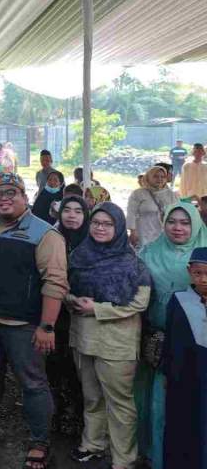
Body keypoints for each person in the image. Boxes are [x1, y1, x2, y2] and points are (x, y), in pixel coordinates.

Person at [0, 173, 68, 469]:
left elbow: (55, 283)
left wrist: (47, 326)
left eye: (11, 193)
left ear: (25, 197)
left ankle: (40, 441)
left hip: (25, 326)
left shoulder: (44, 234)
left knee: (32, 383)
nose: (4, 198)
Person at [67, 202, 150, 468]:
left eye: (107, 224)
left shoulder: (132, 263)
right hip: (84, 337)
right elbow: (64, 286)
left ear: (119, 227)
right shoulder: (79, 256)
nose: (100, 228)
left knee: (119, 402)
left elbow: (140, 302)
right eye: (96, 223)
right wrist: (71, 300)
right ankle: (93, 444)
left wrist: (98, 309)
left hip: (117, 342)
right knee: (91, 397)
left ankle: (123, 459)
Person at [135, 202, 206, 468]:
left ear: (196, 224)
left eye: (185, 223)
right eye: (172, 221)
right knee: (159, 405)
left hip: (199, 347)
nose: (178, 228)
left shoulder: (203, 251)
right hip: (160, 343)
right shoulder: (148, 253)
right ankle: (157, 456)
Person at [161, 247, 207, 469]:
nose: (204, 279)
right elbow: (170, 339)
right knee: (183, 424)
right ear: (189, 272)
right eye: (198, 273)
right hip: (184, 376)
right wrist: (167, 372)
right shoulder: (179, 300)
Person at [49, 195, 90, 434]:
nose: (72, 215)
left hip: (85, 313)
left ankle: (80, 416)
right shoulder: (51, 239)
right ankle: (57, 412)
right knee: (56, 362)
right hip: (55, 311)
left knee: (80, 368)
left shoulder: (93, 242)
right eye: (67, 210)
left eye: (78, 211)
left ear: (86, 216)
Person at [127, 165, 178, 248]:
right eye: (156, 176)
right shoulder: (138, 193)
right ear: (149, 177)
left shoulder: (171, 195)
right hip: (144, 232)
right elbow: (131, 213)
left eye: (163, 177)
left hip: (164, 233)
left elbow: (177, 214)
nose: (160, 179)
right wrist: (133, 231)